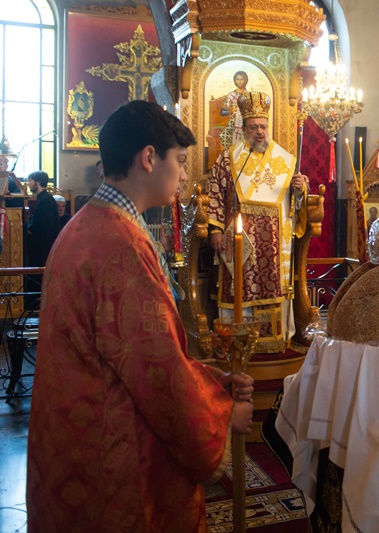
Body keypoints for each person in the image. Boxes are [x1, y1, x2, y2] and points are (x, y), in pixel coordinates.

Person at [26, 100, 255, 531]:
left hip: (72, 446)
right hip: (113, 463)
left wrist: (215, 384)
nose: (186, 175)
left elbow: (129, 351)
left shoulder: (83, 226)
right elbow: (157, 372)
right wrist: (222, 417)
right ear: (149, 158)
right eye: (181, 161)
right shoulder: (121, 245)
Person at [208, 91, 308, 352]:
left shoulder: (286, 161)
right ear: (245, 129)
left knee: (272, 285)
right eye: (254, 127)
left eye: (263, 126)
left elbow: (293, 208)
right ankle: (236, 340)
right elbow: (217, 194)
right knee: (240, 285)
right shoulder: (229, 158)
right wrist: (215, 230)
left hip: (274, 242)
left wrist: (300, 189)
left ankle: (274, 339)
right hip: (240, 239)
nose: (260, 132)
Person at [26, 170, 59, 267]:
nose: (28, 184)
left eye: (30, 180)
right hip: (42, 243)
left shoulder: (46, 200)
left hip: (44, 245)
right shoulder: (43, 198)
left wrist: (30, 228)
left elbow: (44, 224)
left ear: (38, 182)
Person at [219, 70, 249, 149]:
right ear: (235, 81)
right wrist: (231, 110)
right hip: (232, 123)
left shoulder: (248, 95)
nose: (239, 82)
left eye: (241, 79)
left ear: (245, 80)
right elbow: (223, 112)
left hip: (244, 122)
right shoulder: (231, 95)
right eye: (238, 79)